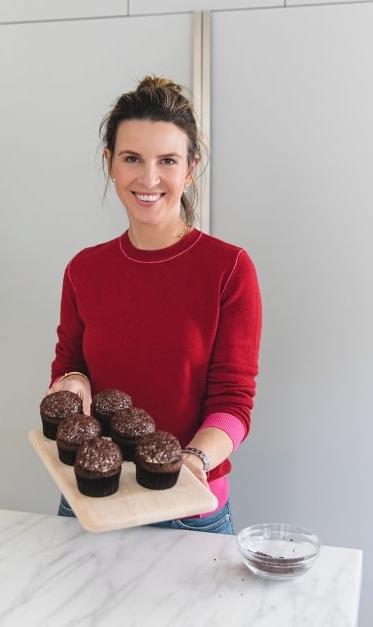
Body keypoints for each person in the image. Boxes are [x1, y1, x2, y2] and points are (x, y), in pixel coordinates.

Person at [45, 75, 262, 534]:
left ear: (190, 169)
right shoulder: (84, 270)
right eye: (132, 159)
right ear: (110, 164)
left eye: (167, 160)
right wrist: (72, 383)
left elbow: (234, 402)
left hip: (189, 509)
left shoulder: (229, 269)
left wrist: (194, 459)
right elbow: (70, 365)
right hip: (93, 501)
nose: (148, 178)